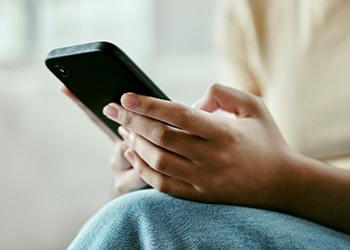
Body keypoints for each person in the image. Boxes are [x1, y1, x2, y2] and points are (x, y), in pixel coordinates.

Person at [64, 0, 350, 249]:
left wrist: (282, 181)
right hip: (291, 219)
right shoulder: (250, 6)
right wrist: (167, 163)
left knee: (142, 219)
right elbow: (254, 147)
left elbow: (271, 174)